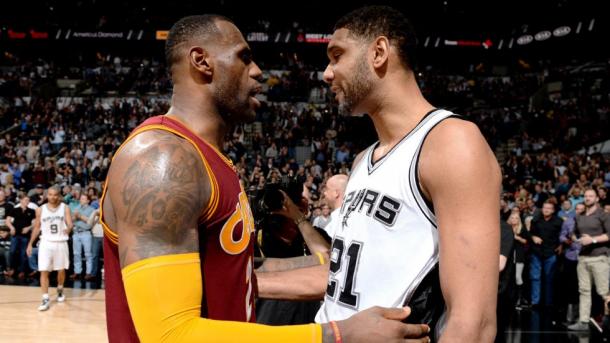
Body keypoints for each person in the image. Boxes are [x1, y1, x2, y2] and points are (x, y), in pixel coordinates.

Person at [100, 14, 428, 343]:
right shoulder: (164, 159)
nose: (257, 71)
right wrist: (336, 335)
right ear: (202, 62)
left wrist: (332, 266)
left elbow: (240, 269)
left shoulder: (210, 160)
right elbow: (170, 335)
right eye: (244, 58)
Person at [317, 5, 502, 341]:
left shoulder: (451, 143)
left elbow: (472, 324)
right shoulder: (362, 160)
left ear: (379, 52)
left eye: (337, 55)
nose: (326, 73)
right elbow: (344, 276)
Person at [568, 188, 610, 331]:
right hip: (583, 258)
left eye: (591, 196)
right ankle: (584, 321)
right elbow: (573, 233)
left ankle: (607, 321)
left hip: (599, 258)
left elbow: (609, 235)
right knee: (584, 290)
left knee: (604, 292)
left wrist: (592, 240)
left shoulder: (603, 215)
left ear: (597, 199)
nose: (587, 198)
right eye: (585, 196)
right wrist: (576, 239)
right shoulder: (579, 216)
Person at [26, 186, 73, 311]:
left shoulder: (65, 208)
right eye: (50, 194)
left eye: (55, 195)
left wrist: (68, 229)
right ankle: (45, 298)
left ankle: (60, 288)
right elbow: (37, 227)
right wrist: (30, 243)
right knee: (44, 270)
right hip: (46, 243)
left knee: (61, 270)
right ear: (47, 195)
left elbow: (70, 224)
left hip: (61, 242)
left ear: (59, 196)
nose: (53, 197)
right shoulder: (40, 210)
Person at [522, 201, 563, 308]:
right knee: (535, 278)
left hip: (551, 253)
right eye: (544, 207)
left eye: (549, 208)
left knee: (549, 278)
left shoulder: (558, 221)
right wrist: (533, 237)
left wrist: (561, 245)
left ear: (553, 210)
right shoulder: (536, 220)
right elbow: (528, 233)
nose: (546, 210)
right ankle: (535, 302)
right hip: (537, 252)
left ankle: (548, 303)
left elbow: (562, 235)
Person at [6, 194, 35, 279]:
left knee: (23, 254)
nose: (27, 202)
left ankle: (22, 271)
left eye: (28, 200)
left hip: (25, 235)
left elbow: (34, 223)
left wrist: (28, 228)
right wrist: (11, 228)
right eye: (25, 200)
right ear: (21, 200)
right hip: (15, 234)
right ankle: (12, 269)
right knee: (12, 251)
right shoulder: (15, 210)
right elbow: (8, 221)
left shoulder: (32, 211)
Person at [70, 194, 95, 281]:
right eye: (81, 198)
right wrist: (75, 217)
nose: (81, 200)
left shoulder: (92, 210)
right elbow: (71, 220)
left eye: (83, 198)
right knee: (76, 254)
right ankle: (77, 272)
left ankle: (88, 272)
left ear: (88, 200)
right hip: (76, 232)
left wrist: (79, 216)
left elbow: (90, 222)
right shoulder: (76, 208)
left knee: (88, 254)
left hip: (86, 233)